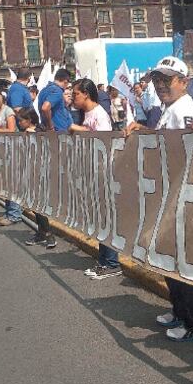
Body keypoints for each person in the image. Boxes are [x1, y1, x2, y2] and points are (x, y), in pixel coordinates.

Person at [126, 56, 193, 343]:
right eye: (158, 80)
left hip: (180, 198)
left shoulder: (184, 110)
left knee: (181, 263)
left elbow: (190, 149)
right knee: (167, 259)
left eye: (168, 80)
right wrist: (144, 130)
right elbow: (166, 141)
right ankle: (180, 310)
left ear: (183, 82)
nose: (162, 85)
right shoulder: (171, 108)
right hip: (167, 195)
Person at [69, 79, 119, 278]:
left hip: (103, 173)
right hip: (91, 172)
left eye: (76, 94)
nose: (73, 98)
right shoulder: (85, 114)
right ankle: (104, 260)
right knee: (98, 218)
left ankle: (112, 262)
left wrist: (80, 130)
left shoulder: (99, 114)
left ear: (86, 94)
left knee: (105, 217)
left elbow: (104, 140)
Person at [0, 88, 23, 228]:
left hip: (11, 151)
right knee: (5, 184)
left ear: (2, 97)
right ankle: (9, 212)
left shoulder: (8, 111)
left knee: (12, 183)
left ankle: (15, 214)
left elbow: (12, 131)